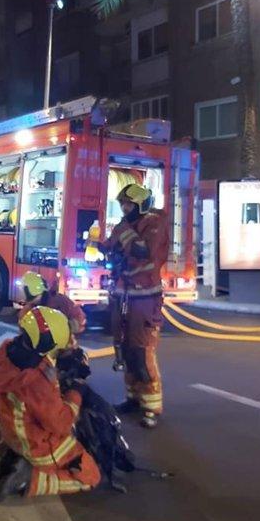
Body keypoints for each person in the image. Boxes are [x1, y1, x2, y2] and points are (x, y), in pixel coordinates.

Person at [0, 306, 101, 502]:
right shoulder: (38, 379)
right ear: (48, 344)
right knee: (91, 476)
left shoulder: (7, 351)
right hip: (38, 444)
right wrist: (76, 390)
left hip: (11, 434)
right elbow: (61, 423)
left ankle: (11, 461)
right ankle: (30, 480)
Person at [98, 184, 169, 429]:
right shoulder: (123, 225)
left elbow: (144, 250)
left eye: (128, 205)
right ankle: (133, 398)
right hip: (123, 294)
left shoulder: (155, 224)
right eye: (122, 205)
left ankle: (151, 407)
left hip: (144, 298)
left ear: (141, 205)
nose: (124, 209)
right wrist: (96, 242)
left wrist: (124, 232)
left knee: (141, 351)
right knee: (124, 348)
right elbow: (108, 248)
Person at [19, 271, 86, 338]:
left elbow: (80, 320)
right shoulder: (28, 310)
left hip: (61, 344)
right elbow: (24, 330)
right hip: (46, 345)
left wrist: (66, 327)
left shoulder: (62, 302)